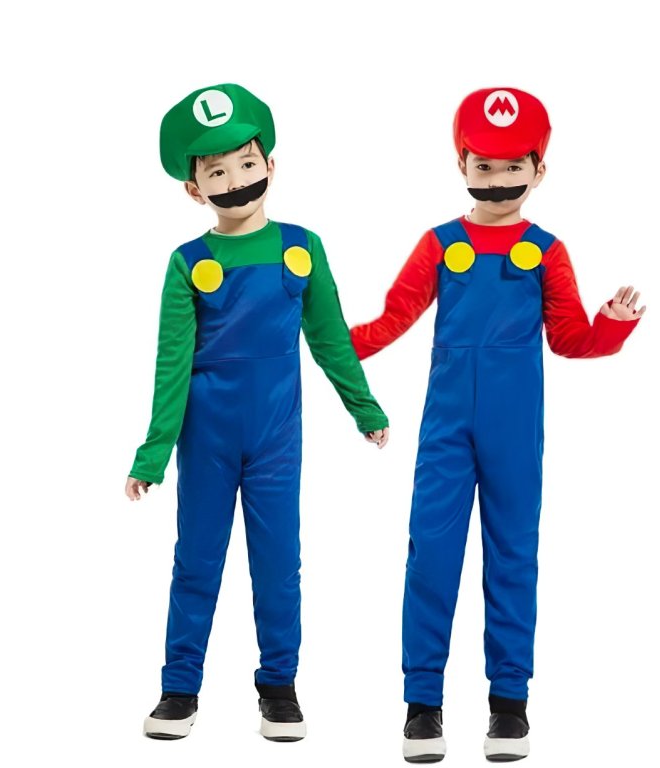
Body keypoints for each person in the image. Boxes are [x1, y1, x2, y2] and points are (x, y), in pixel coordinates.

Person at [350, 87, 645, 762]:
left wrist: (612, 326)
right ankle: (422, 705)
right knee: (431, 554)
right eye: (484, 165)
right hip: (446, 432)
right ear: (461, 164)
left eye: (515, 166)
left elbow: (569, 339)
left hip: (514, 433)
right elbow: (392, 320)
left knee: (512, 555)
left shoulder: (547, 251)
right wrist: (330, 341)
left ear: (540, 170)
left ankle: (509, 706)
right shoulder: (438, 244)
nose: (498, 179)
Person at [126, 82, 390, 743]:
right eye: (216, 172)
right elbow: (171, 364)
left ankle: (279, 686)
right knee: (196, 562)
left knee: (278, 564)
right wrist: (153, 454)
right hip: (206, 443)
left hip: (276, 442)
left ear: (271, 163)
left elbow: (329, 337)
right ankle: (178, 688)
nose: (236, 181)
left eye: (246, 163)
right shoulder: (188, 263)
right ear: (194, 189)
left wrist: (363, 407)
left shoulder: (303, 247)